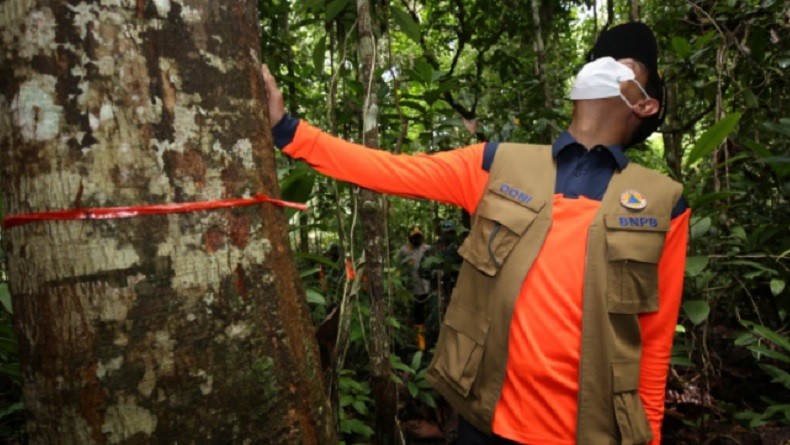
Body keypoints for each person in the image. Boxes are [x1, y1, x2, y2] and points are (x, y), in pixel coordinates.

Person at [262, 21, 689, 445]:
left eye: (623, 63)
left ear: (645, 105)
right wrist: (286, 129)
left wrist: (649, 439)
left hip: (592, 434)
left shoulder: (663, 202)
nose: (604, 67)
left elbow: (653, 342)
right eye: (599, 60)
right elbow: (390, 170)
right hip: (486, 423)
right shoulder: (496, 163)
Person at [398, 225, 432, 351]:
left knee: (429, 313)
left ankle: (430, 339)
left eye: (419, 236)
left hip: (428, 287)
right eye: (414, 237)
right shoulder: (404, 251)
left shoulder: (427, 249)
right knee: (418, 314)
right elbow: (399, 269)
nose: (417, 239)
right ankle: (420, 342)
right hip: (414, 289)